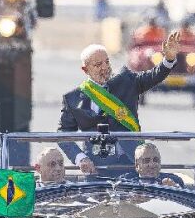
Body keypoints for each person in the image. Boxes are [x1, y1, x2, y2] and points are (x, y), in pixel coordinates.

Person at [57, 33, 181, 174]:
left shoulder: (125, 81)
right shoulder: (73, 99)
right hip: (96, 168)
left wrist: (168, 60)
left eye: (107, 62)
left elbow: (153, 76)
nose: (104, 67)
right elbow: (63, 134)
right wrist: (81, 158)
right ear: (85, 69)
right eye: (98, 65)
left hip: (132, 163)